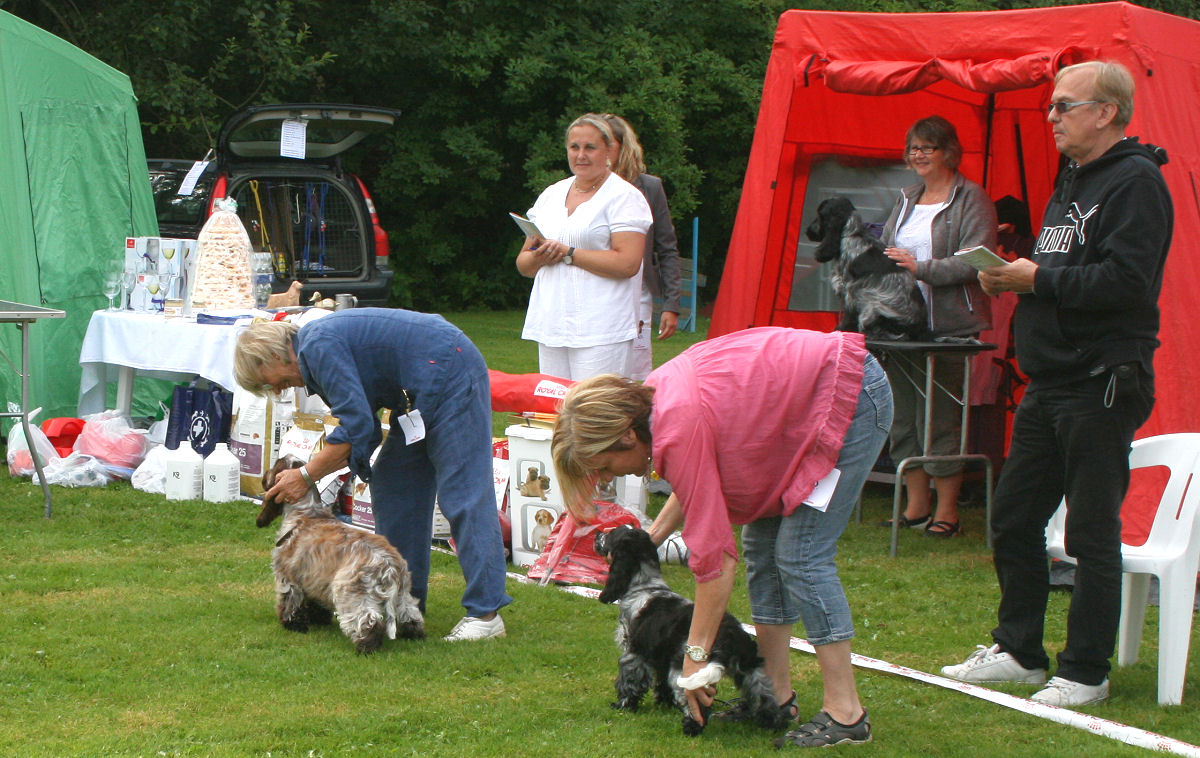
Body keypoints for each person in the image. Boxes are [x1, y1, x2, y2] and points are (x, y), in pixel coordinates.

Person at [942, 61, 1172, 706]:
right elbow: (1065, 265)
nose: (1052, 118)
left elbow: (1127, 282)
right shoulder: (1073, 180)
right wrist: (1012, 273)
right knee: (1014, 518)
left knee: (1091, 532)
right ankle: (1019, 652)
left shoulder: (1136, 182)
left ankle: (1086, 671)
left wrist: (1034, 280)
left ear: (1105, 111)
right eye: (1051, 107)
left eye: (1064, 107)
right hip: (1052, 379)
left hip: (1102, 378)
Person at [551, 327, 892, 748]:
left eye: (604, 465)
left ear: (625, 436)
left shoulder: (676, 425)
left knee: (801, 554)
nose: (608, 476)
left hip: (849, 394)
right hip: (804, 403)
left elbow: (715, 564)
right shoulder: (653, 407)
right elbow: (698, 479)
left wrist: (694, 661)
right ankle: (776, 699)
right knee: (762, 550)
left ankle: (847, 713)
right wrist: (653, 537)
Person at [233, 309, 513, 641]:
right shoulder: (314, 353)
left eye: (267, 380)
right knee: (395, 486)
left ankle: (486, 614)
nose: (276, 390)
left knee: (464, 495)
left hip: (447, 369)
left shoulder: (317, 347)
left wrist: (305, 476)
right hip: (418, 393)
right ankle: (404, 605)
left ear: (271, 354)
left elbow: (356, 429)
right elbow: (360, 424)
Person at [879, 115, 996, 538]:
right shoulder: (906, 197)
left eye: (928, 147)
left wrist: (920, 267)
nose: (919, 155)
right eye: (913, 147)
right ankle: (916, 507)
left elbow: (976, 259)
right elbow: (887, 247)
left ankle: (948, 510)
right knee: (904, 416)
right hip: (900, 326)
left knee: (942, 418)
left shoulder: (972, 198)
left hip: (950, 326)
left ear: (949, 151)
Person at [517, 113, 652, 381]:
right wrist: (542, 257)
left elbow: (627, 264)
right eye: (574, 147)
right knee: (555, 412)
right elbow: (524, 264)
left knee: (595, 414)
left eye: (590, 147)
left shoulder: (624, 197)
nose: (581, 155)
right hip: (552, 324)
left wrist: (569, 253)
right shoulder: (551, 195)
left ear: (609, 152)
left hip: (602, 328)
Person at [599, 113, 683, 382]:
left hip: (638, 295)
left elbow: (667, 247)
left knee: (633, 375)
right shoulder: (581, 187)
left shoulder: (649, 187)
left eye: (606, 144)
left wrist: (671, 304)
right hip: (594, 291)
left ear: (623, 147)